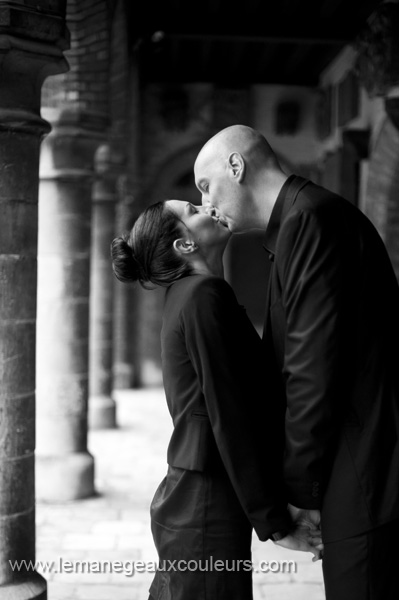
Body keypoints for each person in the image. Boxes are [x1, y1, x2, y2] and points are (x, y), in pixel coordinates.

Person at [193, 124, 399, 600]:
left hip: (363, 467)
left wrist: (299, 492)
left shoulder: (310, 219)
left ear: (236, 166)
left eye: (206, 185)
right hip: (359, 462)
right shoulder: (305, 219)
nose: (205, 204)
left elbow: (312, 368)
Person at [111, 199, 321, 600]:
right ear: (185, 245)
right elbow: (230, 413)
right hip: (206, 502)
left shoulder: (192, 294)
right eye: (193, 208)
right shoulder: (203, 294)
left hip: (199, 494)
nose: (208, 206)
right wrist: (274, 521)